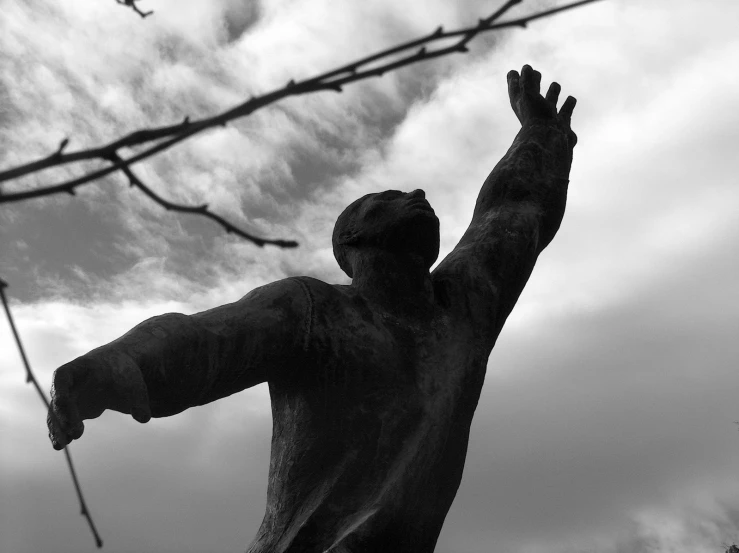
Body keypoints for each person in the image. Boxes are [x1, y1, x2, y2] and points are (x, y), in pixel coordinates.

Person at [48, 65, 578, 553]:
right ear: (353, 236)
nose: (416, 193)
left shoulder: (464, 309)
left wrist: (540, 137)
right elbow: (207, 341)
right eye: (389, 197)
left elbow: (513, 212)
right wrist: (107, 368)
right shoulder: (314, 312)